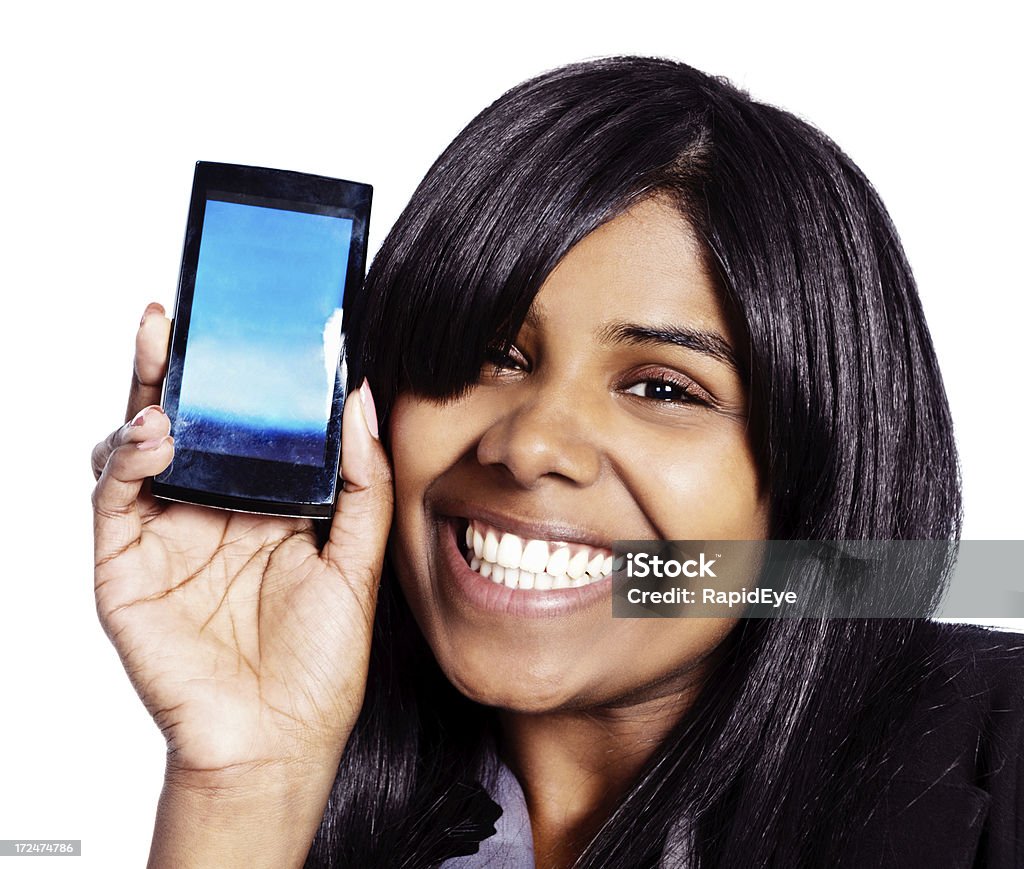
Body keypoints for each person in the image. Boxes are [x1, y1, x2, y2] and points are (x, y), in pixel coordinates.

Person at [91, 57, 1023, 868]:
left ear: (817, 471)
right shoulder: (339, 801)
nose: (528, 444)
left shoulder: (999, 747)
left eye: (663, 387)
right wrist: (247, 782)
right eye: (493, 354)